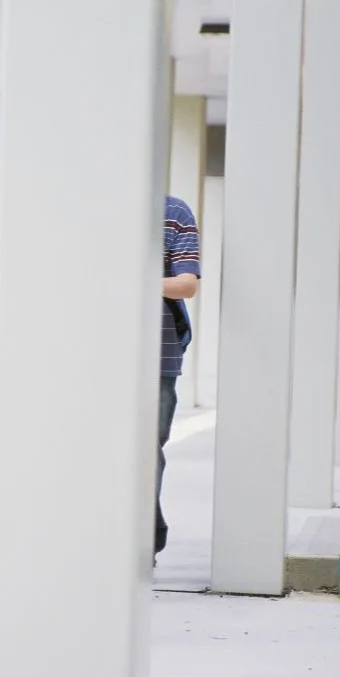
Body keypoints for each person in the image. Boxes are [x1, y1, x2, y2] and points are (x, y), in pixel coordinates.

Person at [156, 196, 200, 563]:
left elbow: (186, 283)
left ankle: (143, 538)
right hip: (97, 355)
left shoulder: (175, 212)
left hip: (159, 355)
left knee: (147, 450)